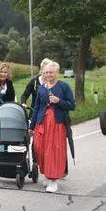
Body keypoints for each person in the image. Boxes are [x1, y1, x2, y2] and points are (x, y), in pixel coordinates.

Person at [29, 61, 75, 193]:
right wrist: (32, 126)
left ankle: (53, 179)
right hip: (41, 122)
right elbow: (37, 107)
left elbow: (72, 105)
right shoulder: (42, 88)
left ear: (57, 73)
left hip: (57, 123)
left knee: (53, 151)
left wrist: (58, 101)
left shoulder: (64, 86)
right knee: (39, 149)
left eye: (51, 72)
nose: (48, 74)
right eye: (46, 72)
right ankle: (47, 174)